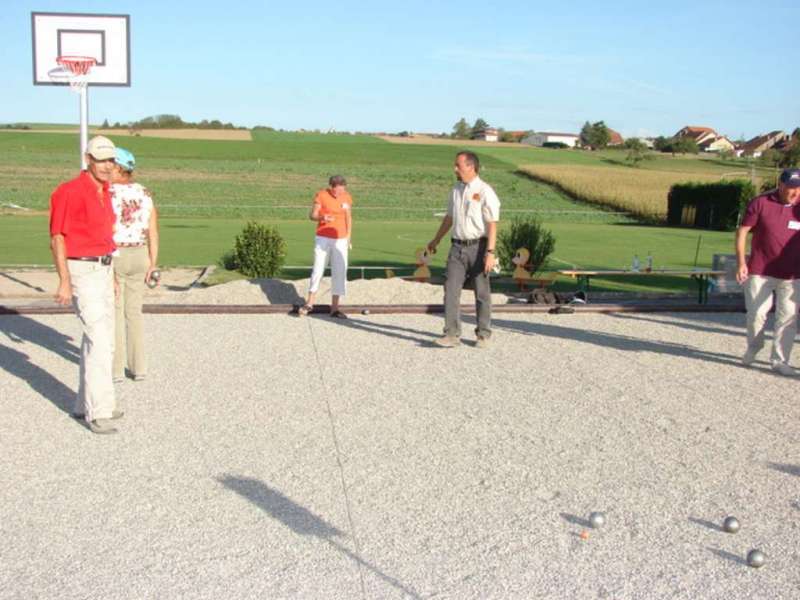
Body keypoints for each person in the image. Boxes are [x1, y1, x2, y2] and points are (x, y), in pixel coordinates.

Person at [49, 135, 122, 434]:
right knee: (99, 340)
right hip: (82, 270)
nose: (107, 166)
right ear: (88, 158)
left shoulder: (106, 192)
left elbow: (106, 238)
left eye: (111, 160)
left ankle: (85, 403)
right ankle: (99, 412)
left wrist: (113, 274)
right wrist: (65, 280)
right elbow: (57, 238)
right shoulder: (69, 192)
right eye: (101, 159)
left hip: (103, 269)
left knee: (103, 338)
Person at [427, 151, 500, 348]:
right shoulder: (456, 190)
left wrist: (490, 253)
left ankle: (483, 334)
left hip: (479, 247)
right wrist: (436, 240)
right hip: (457, 247)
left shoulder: (485, 191)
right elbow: (449, 218)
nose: (455, 169)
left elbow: (492, 224)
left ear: (471, 166)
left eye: (458, 165)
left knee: (481, 292)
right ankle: (451, 334)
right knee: (450, 289)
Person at [736, 168, 800, 376]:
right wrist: (741, 262)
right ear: (780, 185)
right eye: (791, 188)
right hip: (760, 270)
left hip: (793, 274)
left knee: (788, 317)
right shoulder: (760, 203)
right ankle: (754, 347)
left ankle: (780, 360)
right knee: (756, 314)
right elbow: (743, 231)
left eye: (798, 188)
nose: (795, 192)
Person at [111, 147, 159, 382]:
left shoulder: (108, 193)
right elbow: (153, 229)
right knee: (135, 313)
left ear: (118, 167)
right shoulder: (145, 193)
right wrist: (153, 262)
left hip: (117, 252)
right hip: (140, 253)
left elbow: (107, 228)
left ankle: (116, 368)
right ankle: (139, 367)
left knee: (116, 312)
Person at [297, 175, 353, 318]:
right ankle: (310, 303)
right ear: (332, 187)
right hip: (323, 237)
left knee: (340, 271)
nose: (340, 192)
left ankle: (335, 308)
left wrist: (348, 237)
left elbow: (348, 218)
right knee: (318, 268)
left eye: (342, 189)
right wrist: (322, 218)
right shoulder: (321, 195)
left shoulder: (347, 197)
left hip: (340, 239)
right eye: (337, 189)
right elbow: (312, 215)